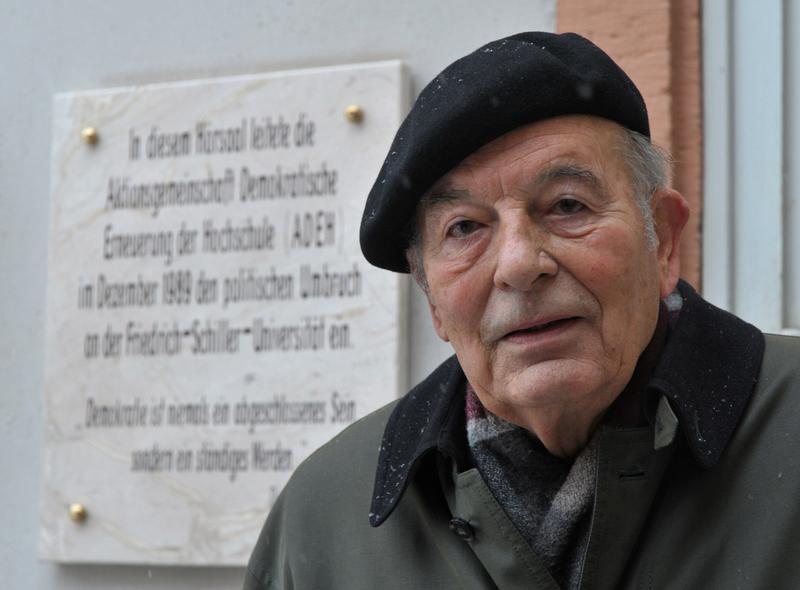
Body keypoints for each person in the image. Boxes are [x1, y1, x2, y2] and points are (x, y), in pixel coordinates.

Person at [243, 32, 800, 590]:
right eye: (464, 228)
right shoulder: (326, 516)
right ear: (432, 297)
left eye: (566, 206)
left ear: (663, 243)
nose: (517, 264)